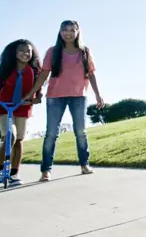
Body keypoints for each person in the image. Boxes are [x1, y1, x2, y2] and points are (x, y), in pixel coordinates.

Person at [22, 20, 104, 181]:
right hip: (55, 97)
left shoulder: (85, 52)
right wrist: (32, 93)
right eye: (65, 30)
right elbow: (44, 74)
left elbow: (92, 74)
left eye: (72, 30)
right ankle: (46, 171)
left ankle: (84, 165)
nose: (68, 33)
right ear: (60, 32)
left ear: (78, 32)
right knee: (51, 134)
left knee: (81, 132)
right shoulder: (53, 51)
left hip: (79, 96)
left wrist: (98, 95)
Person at [0, 39, 43, 186]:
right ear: (14, 52)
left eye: (28, 51)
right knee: (9, 136)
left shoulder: (34, 71)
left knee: (19, 139)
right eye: (22, 50)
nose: (25, 53)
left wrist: (37, 98)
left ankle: (14, 173)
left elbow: (39, 91)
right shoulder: (4, 69)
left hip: (23, 107)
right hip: (2, 106)